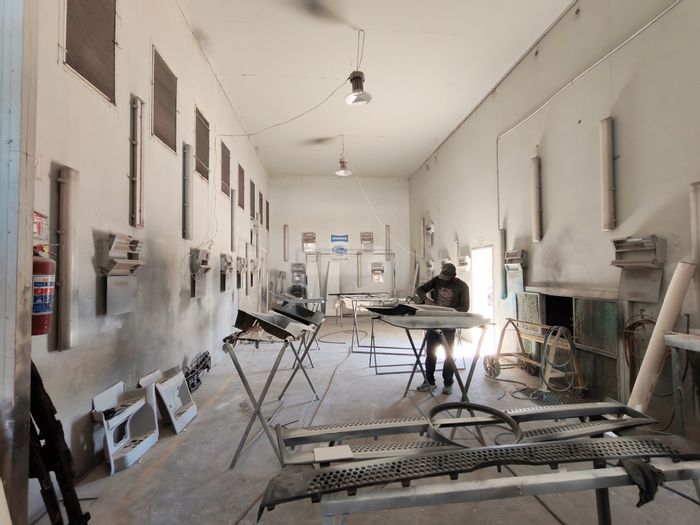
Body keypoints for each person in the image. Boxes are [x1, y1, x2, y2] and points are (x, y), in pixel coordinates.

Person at [414, 262, 469, 395]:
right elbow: (420, 290)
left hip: (448, 326)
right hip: (434, 323)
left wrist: (449, 311)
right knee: (430, 354)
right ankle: (429, 381)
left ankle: (448, 383)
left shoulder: (462, 286)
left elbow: (465, 307)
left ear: (454, 275)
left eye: (447, 277)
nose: (443, 280)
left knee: (448, 356)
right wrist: (425, 300)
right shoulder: (437, 280)